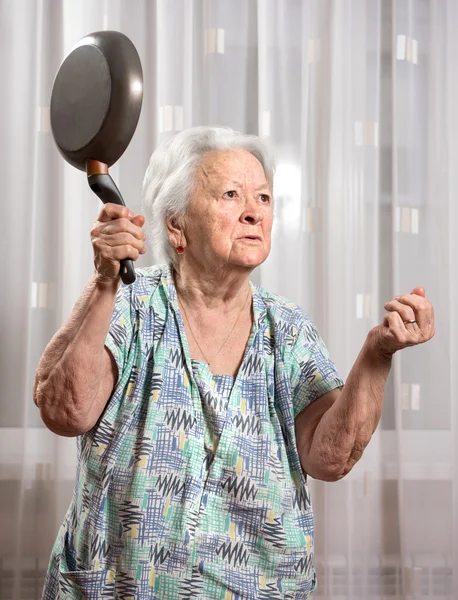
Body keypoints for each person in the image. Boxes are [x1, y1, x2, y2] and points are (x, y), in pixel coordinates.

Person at [35, 126, 435, 600]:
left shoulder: (286, 329)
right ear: (176, 225)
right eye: (230, 195)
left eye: (263, 198)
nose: (253, 211)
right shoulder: (130, 304)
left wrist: (377, 354)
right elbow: (65, 412)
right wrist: (104, 282)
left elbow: (329, 457)